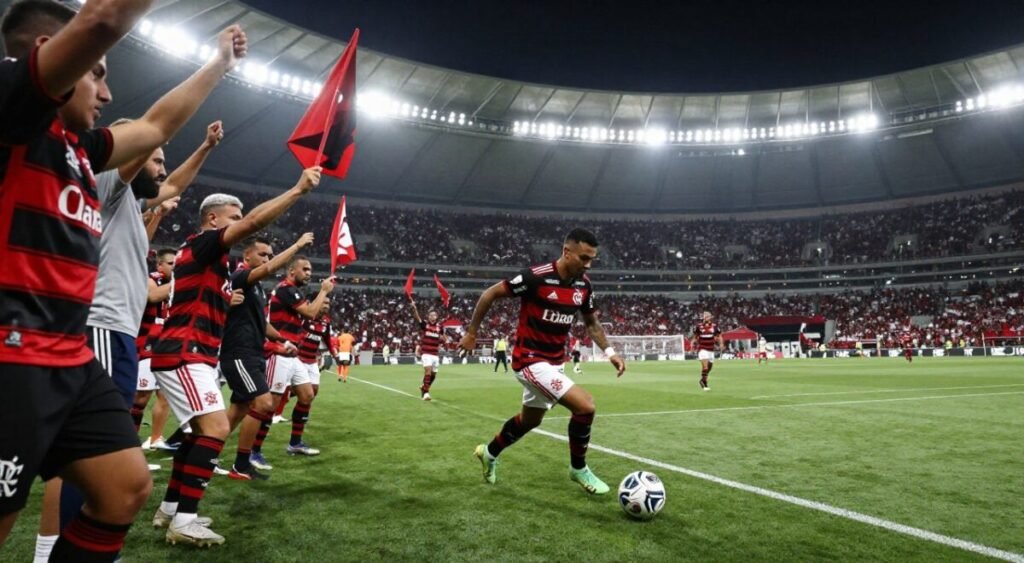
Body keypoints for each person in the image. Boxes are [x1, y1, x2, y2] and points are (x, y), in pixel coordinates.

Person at [2, 0, 245, 558]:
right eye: (97, 73)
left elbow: (157, 126)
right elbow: (105, 18)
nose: (108, 95)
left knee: (126, 488)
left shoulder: (81, 153)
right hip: (13, 353)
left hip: (66, 354)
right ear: (48, 57)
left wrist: (218, 66)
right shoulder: (13, 117)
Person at [148, 167, 323, 546]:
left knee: (199, 435)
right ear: (213, 220)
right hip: (185, 353)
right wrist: (296, 190)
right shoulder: (204, 243)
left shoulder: (217, 265)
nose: (240, 224)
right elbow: (257, 221)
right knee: (216, 429)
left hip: (196, 355)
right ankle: (185, 520)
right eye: (234, 218)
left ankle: (171, 510)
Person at [459, 228, 626, 495]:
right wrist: (471, 332)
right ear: (566, 252)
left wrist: (610, 352)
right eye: (584, 257)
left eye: (592, 259)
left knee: (530, 421)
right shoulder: (535, 278)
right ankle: (578, 468)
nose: (588, 264)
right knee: (585, 406)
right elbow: (490, 293)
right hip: (529, 361)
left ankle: (489, 453)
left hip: (554, 362)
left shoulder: (584, 285)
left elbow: (591, 323)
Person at [219, 233, 313, 481]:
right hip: (239, 353)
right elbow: (272, 268)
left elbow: (263, 323)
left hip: (253, 352)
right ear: (246, 255)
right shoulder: (241, 277)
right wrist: (297, 245)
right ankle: (241, 463)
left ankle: (207, 451)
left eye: (269, 255)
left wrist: (283, 340)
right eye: (262, 254)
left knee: (238, 409)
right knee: (263, 403)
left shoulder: (257, 288)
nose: (267, 259)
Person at [258, 257, 334, 460]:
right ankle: (253, 451)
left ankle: (295, 443)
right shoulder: (286, 289)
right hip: (279, 351)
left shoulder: (295, 292)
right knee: (270, 405)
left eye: (310, 269)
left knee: (307, 395)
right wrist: (324, 291)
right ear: (292, 271)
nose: (309, 273)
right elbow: (310, 313)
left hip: (293, 353)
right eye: (305, 269)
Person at [410, 299, 445, 400]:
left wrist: (442, 341)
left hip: (435, 354)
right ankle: (425, 393)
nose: (432, 316)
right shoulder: (425, 325)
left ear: (436, 317)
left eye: (434, 315)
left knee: (433, 375)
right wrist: (414, 308)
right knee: (428, 372)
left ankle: (424, 387)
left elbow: (443, 339)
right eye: (431, 315)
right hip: (426, 353)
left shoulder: (440, 327)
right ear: (428, 317)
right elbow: (417, 318)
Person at [691, 312, 723, 390]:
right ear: (703, 317)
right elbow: (695, 337)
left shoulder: (715, 326)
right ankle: (705, 383)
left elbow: (719, 336)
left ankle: (702, 379)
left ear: (710, 317)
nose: (706, 317)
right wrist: (692, 344)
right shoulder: (698, 326)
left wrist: (721, 344)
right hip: (702, 349)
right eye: (705, 316)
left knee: (709, 367)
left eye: (708, 316)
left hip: (711, 349)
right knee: (705, 367)